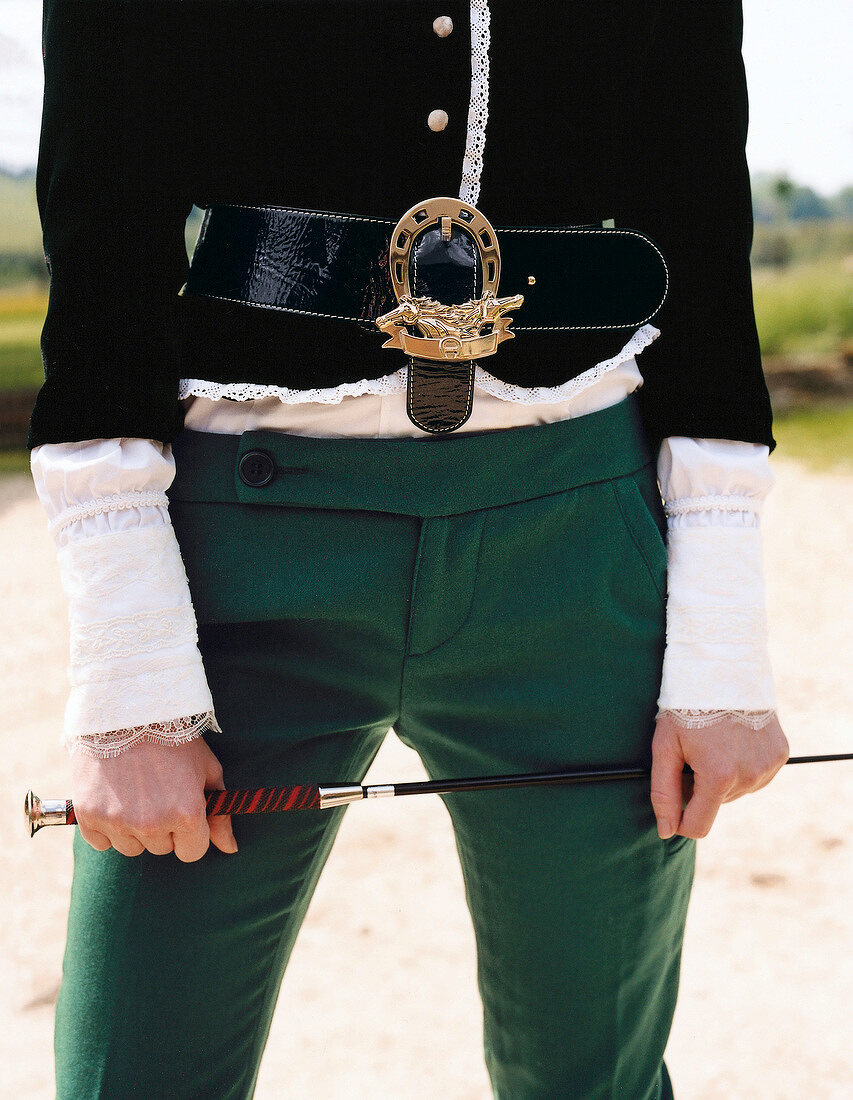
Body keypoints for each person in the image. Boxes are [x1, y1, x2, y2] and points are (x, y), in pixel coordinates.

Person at [28, 2, 789, 1097]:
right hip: (239, 552)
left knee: (595, 1081)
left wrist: (721, 647)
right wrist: (128, 672)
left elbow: (702, 237)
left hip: (576, 541)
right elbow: (103, 245)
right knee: (130, 1074)